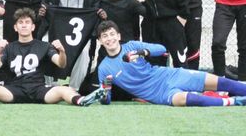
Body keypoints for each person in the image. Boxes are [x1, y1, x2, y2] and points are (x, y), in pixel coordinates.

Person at [0, 8, 107, 106]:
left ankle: (81, 101)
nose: (24, 25)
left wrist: (62, 52)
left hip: (38, 89)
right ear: (15, 27)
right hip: (16, 89)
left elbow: (60, 64)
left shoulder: (43, 45)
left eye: (27, 22)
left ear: (33, 26)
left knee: (63, 89)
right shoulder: (10, 47)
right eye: (20, 23)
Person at [97, 20, 246, 107]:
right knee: (188, 99)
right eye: (105, 36)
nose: (109, 39)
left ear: (118, 36)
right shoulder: (104, 68)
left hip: (167, 75)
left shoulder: (131, 46)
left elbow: (162, 49)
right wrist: (105, 91)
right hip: (158, 94)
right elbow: (106, 99)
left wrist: (142, 52)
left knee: (221, 82)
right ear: (100, 41)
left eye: (112, 34)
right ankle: (234, 102)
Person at [38, 0, 106, 89]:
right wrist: (41, 14)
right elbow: (44, 14)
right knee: (45, 44)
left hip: (80, 35)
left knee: (85, 52)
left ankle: (74, 88)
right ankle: (50, 86)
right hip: (56, 31)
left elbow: (95, 17)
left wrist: (101, 17)